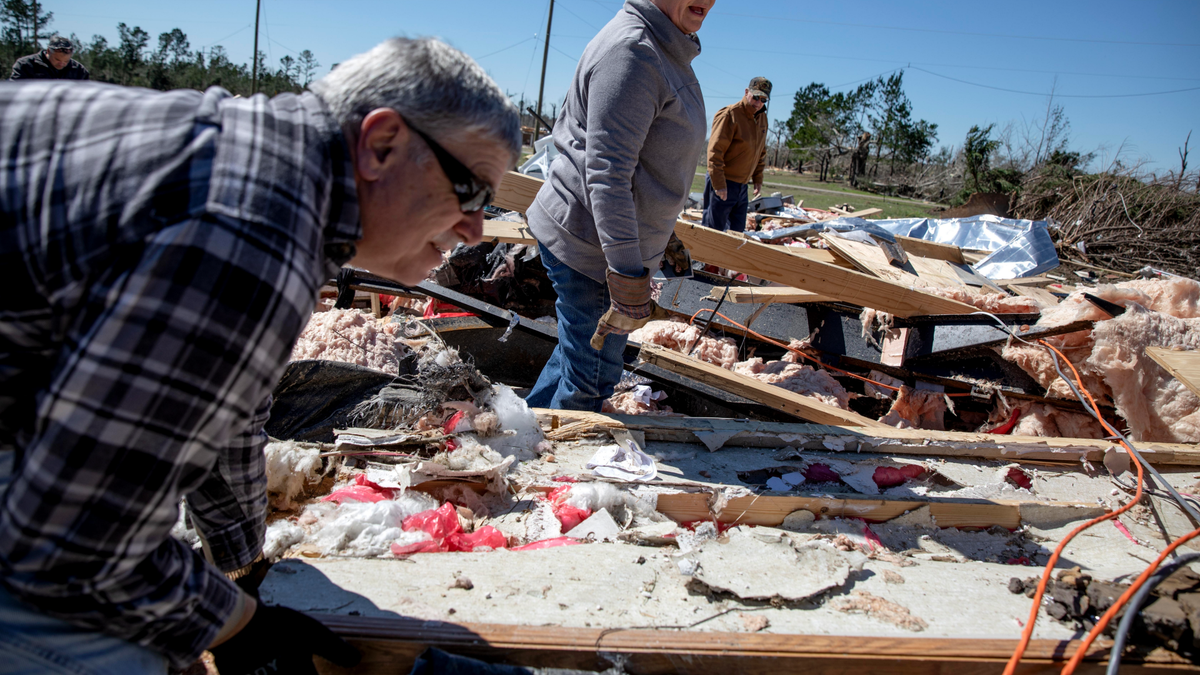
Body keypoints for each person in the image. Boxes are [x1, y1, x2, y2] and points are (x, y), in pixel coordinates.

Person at [0, 37, 520, 674]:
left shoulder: (257, 164)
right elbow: (68, 544)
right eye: (470, 194)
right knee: (119, 650)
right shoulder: (250, 230)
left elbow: (233, 415)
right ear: (381, 144)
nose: (474, 229)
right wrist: (233, 623)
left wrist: (240, 568)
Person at [524, 0, 713, 412]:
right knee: (591, 382)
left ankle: (525, 433)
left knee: (577, 361)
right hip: (593, 250)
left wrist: (664, 231)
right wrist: (627, 272)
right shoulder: (637, 52)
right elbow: (608, 173)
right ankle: (550, 471)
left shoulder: (662, 47)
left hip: (600, 239)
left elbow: (643, 160)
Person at [701, 76, 772, 233]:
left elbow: (761, 151)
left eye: (763, 100)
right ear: (747, 92)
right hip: (723, 183)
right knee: (713, 232)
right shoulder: (729, 115)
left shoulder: (762, 118)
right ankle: (704, 259)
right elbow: (715, 152)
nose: (758, 103)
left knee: (737, 233)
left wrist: (758, 178)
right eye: (755, 97)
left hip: (742, 186)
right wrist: (719, 185)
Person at [9, 35, 90, 80]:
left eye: (66, 61)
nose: (61, 64)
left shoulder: (79, 70)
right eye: (57, 59)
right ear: (48, 51)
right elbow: (15, 90)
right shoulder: (26, 65)